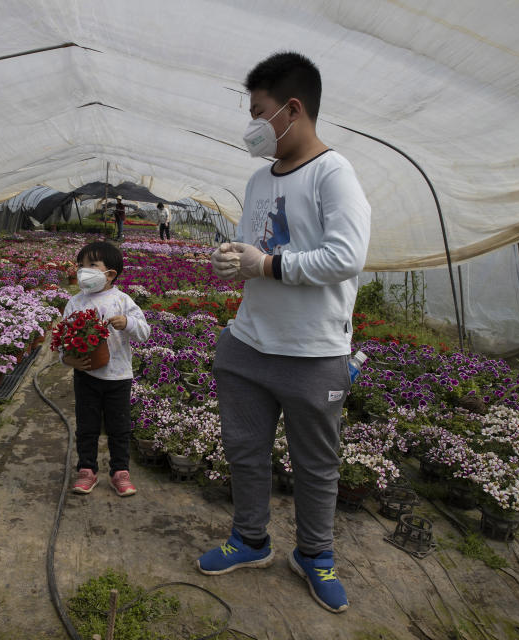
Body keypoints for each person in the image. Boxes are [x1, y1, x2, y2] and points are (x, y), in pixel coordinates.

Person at [197, 52, 371, 615]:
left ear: (292, 110)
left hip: (312, 351)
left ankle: (315, 555)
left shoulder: (333, 173)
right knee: (246, 452)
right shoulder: (257, 179)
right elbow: (254, 247)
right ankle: (250, 540)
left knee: (316, 464)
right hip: (247, 344)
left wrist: (266, 265)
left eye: (259, 111)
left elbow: (346, 256)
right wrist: (230, 261)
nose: (252, 124)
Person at [58, 241, 151, 497]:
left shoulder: (122, 301)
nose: (83, 271)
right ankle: (86, 470)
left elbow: (144, 332)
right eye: (81, 266)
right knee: (86, 426)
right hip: (86, 374)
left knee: (119, 427)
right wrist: (68, 360)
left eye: (91, 266)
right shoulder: (75, 303)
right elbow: (62, 339)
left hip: (118, 377)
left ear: (110, 274)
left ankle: (120, 472)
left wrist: (128, 323)